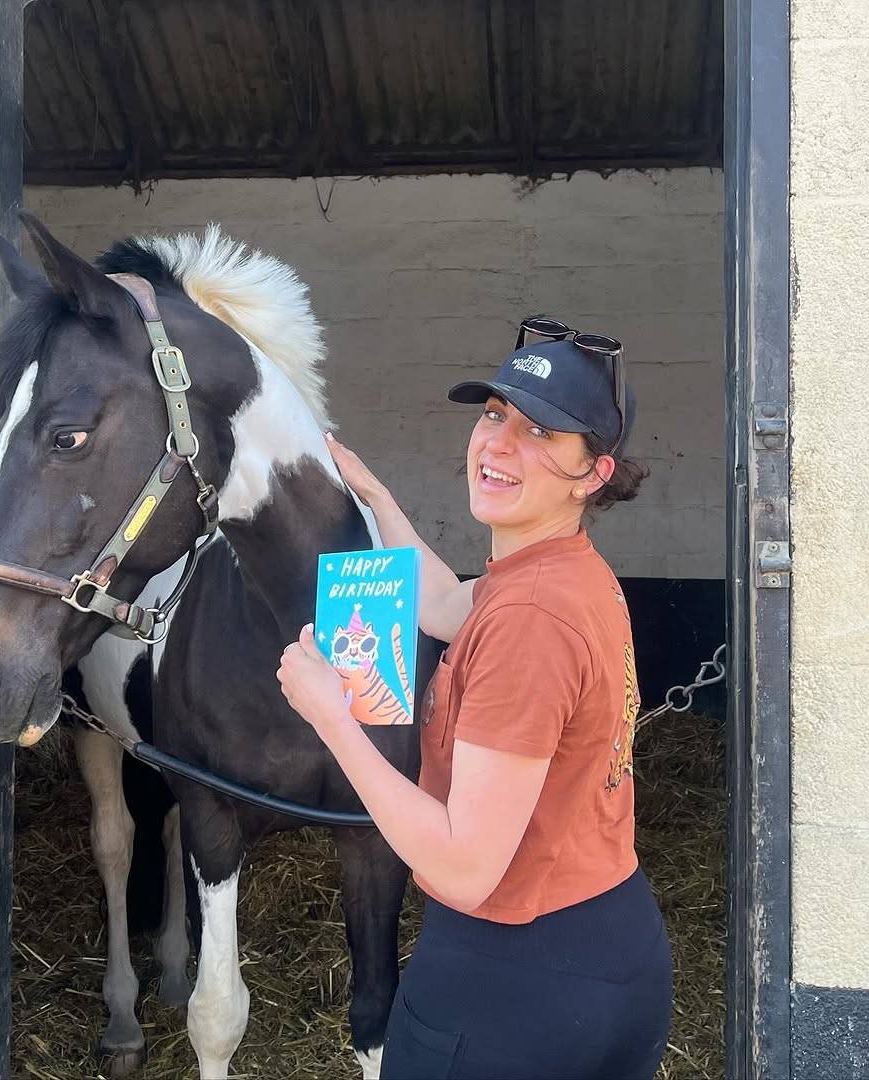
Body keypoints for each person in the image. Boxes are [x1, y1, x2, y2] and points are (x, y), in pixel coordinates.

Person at [277, 318, 673, 1079]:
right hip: (604, 944)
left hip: (515, 976)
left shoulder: (530, 618)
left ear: (592, 473)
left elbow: (465, 868)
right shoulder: (559, 571)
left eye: (540, 432)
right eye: (495, 414)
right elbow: (443, 608)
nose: (498, 444)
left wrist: (330, 716)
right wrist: (375, 499)